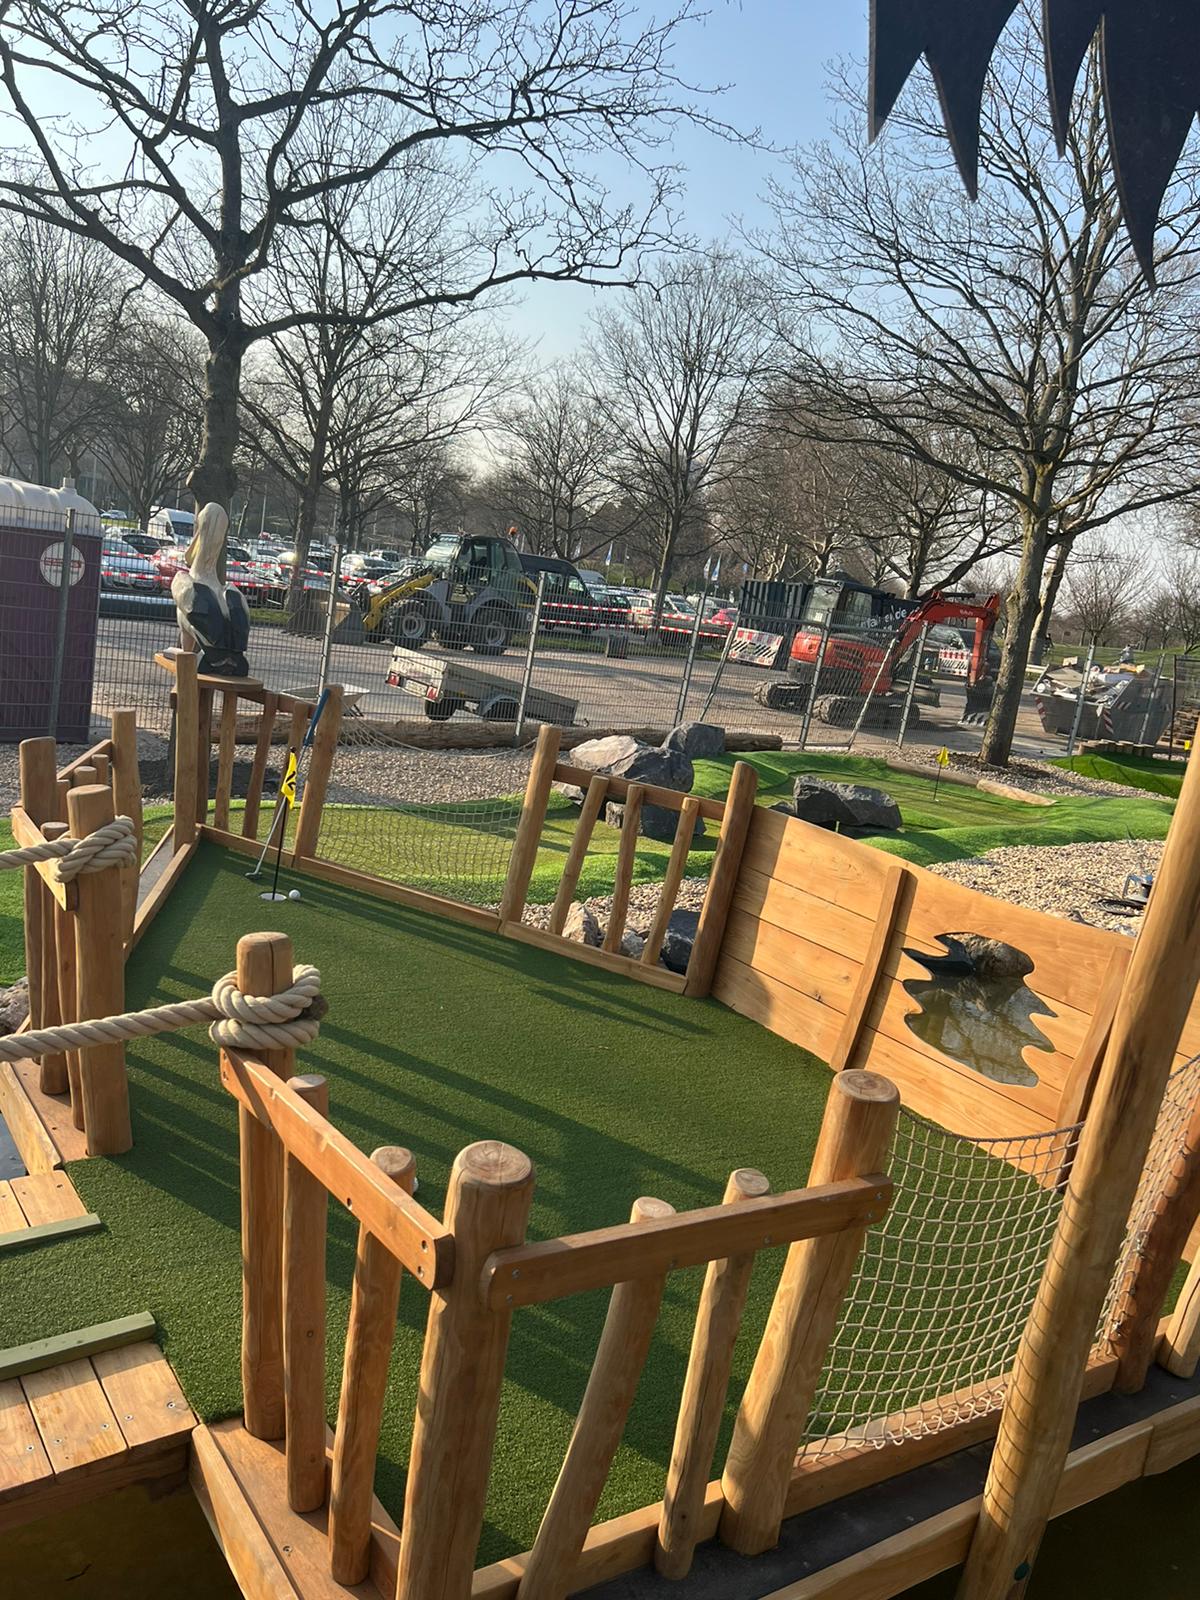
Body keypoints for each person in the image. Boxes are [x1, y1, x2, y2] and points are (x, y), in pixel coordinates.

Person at [170, 502, 251, 676]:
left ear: (202, 527)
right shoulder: (233, 593)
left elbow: (189, 629)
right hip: (238, 663)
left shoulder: (185, 582)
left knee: (186, 635)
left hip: (210, 660)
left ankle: (185, 663)